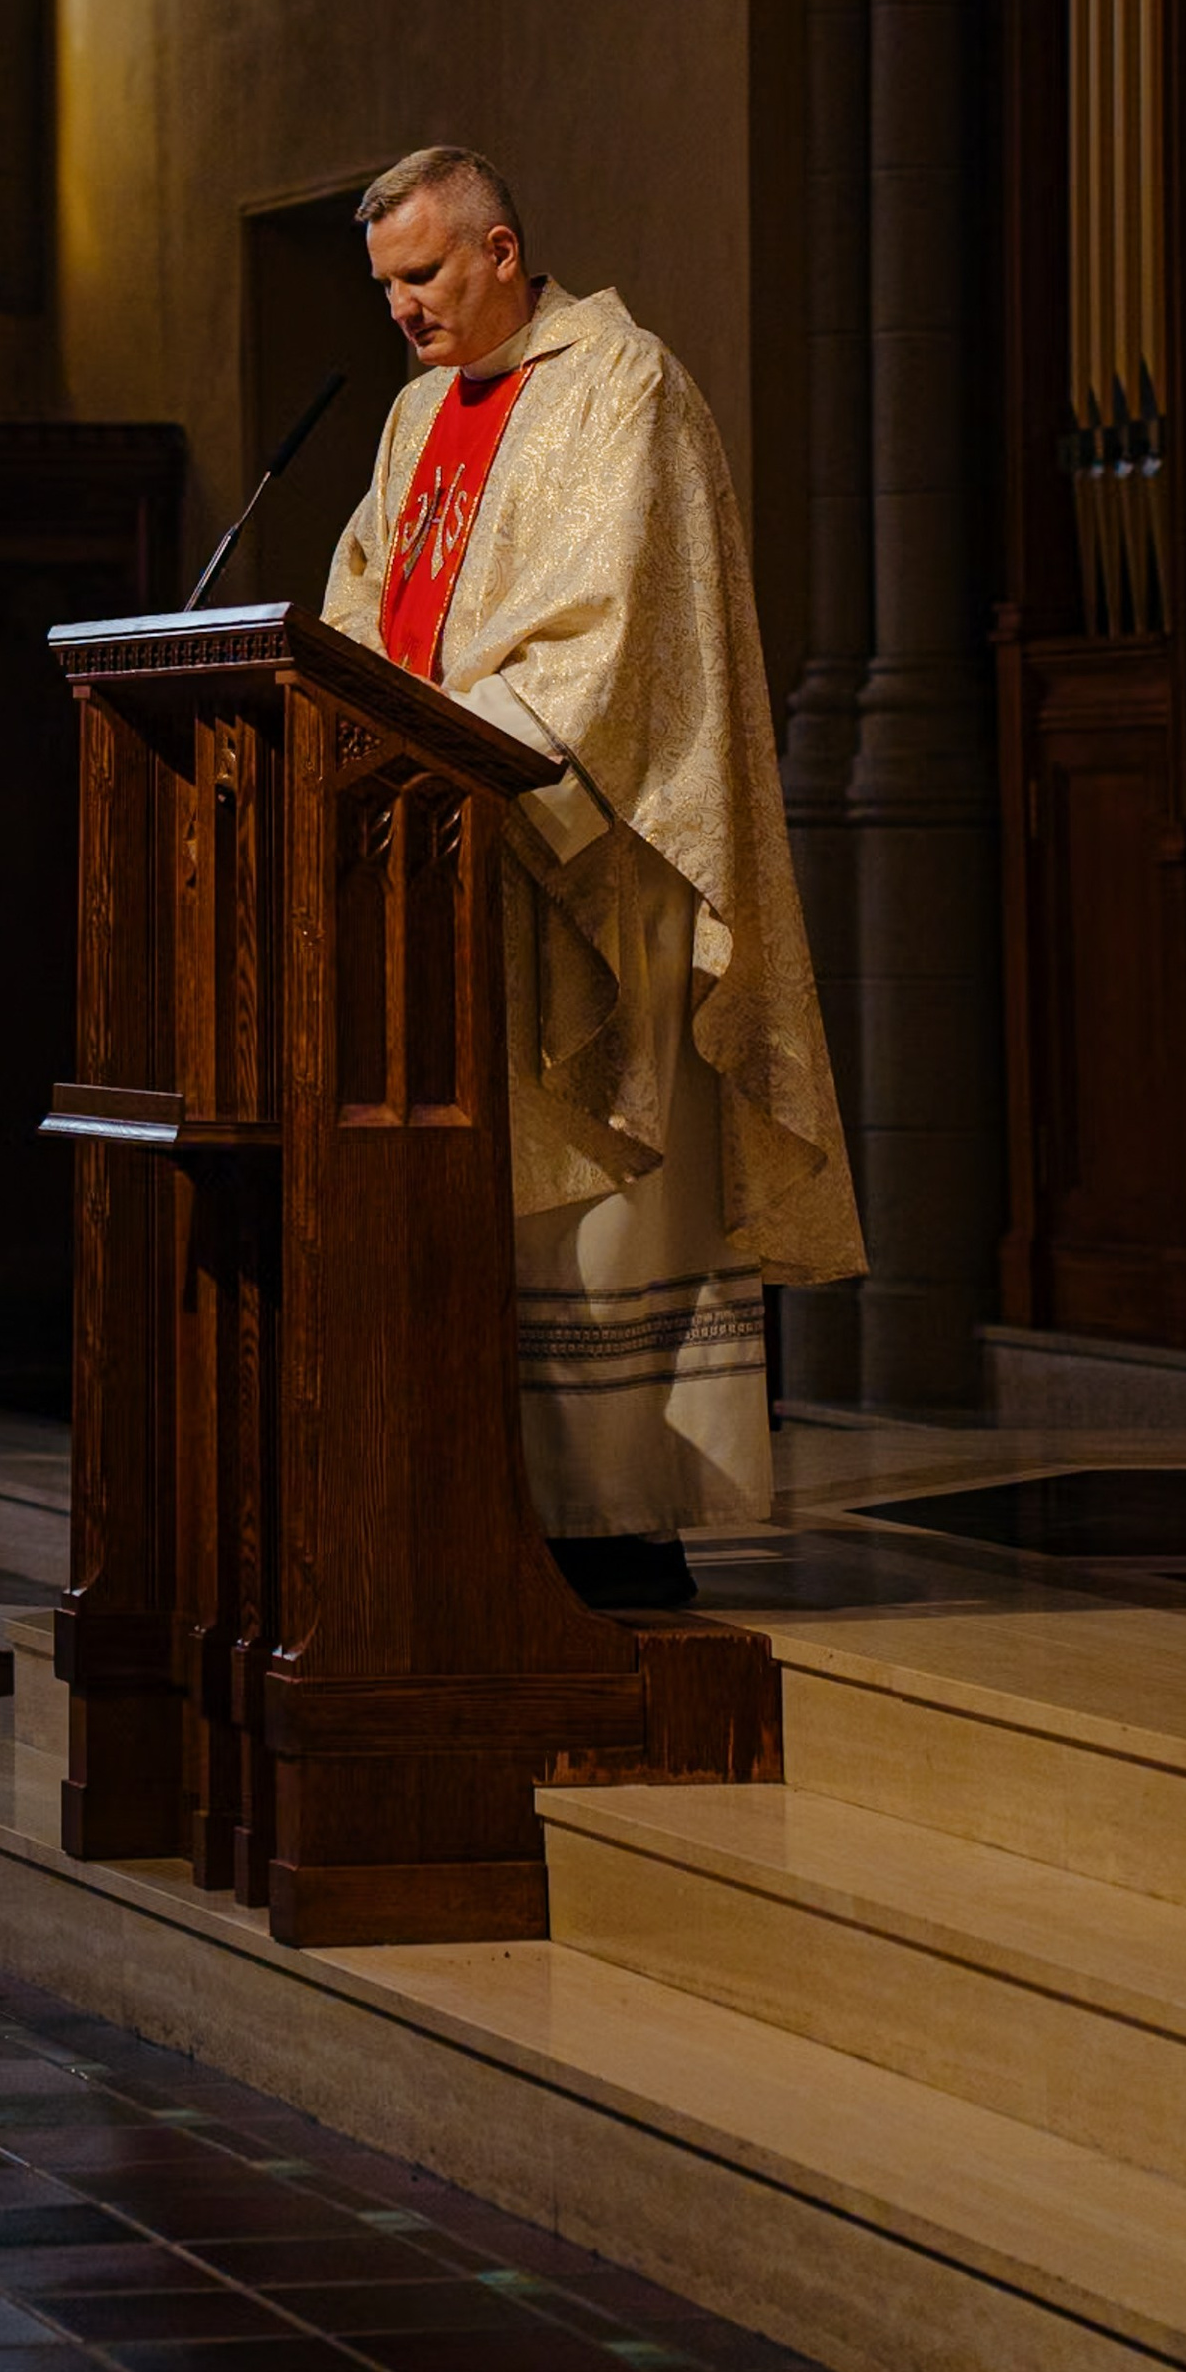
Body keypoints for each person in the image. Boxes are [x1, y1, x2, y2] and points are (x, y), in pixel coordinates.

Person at [322, 145, 863, 1606]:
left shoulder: (625, 386)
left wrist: (444, 752)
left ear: (502, 249)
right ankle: (485, 1513)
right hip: (444, 864)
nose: (404, 314)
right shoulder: (415, 414)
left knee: (596, 1218)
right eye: (385, 289)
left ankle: (617, 1531)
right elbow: (362, 602)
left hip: (582, 868)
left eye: (423, 277)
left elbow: (611, 644)